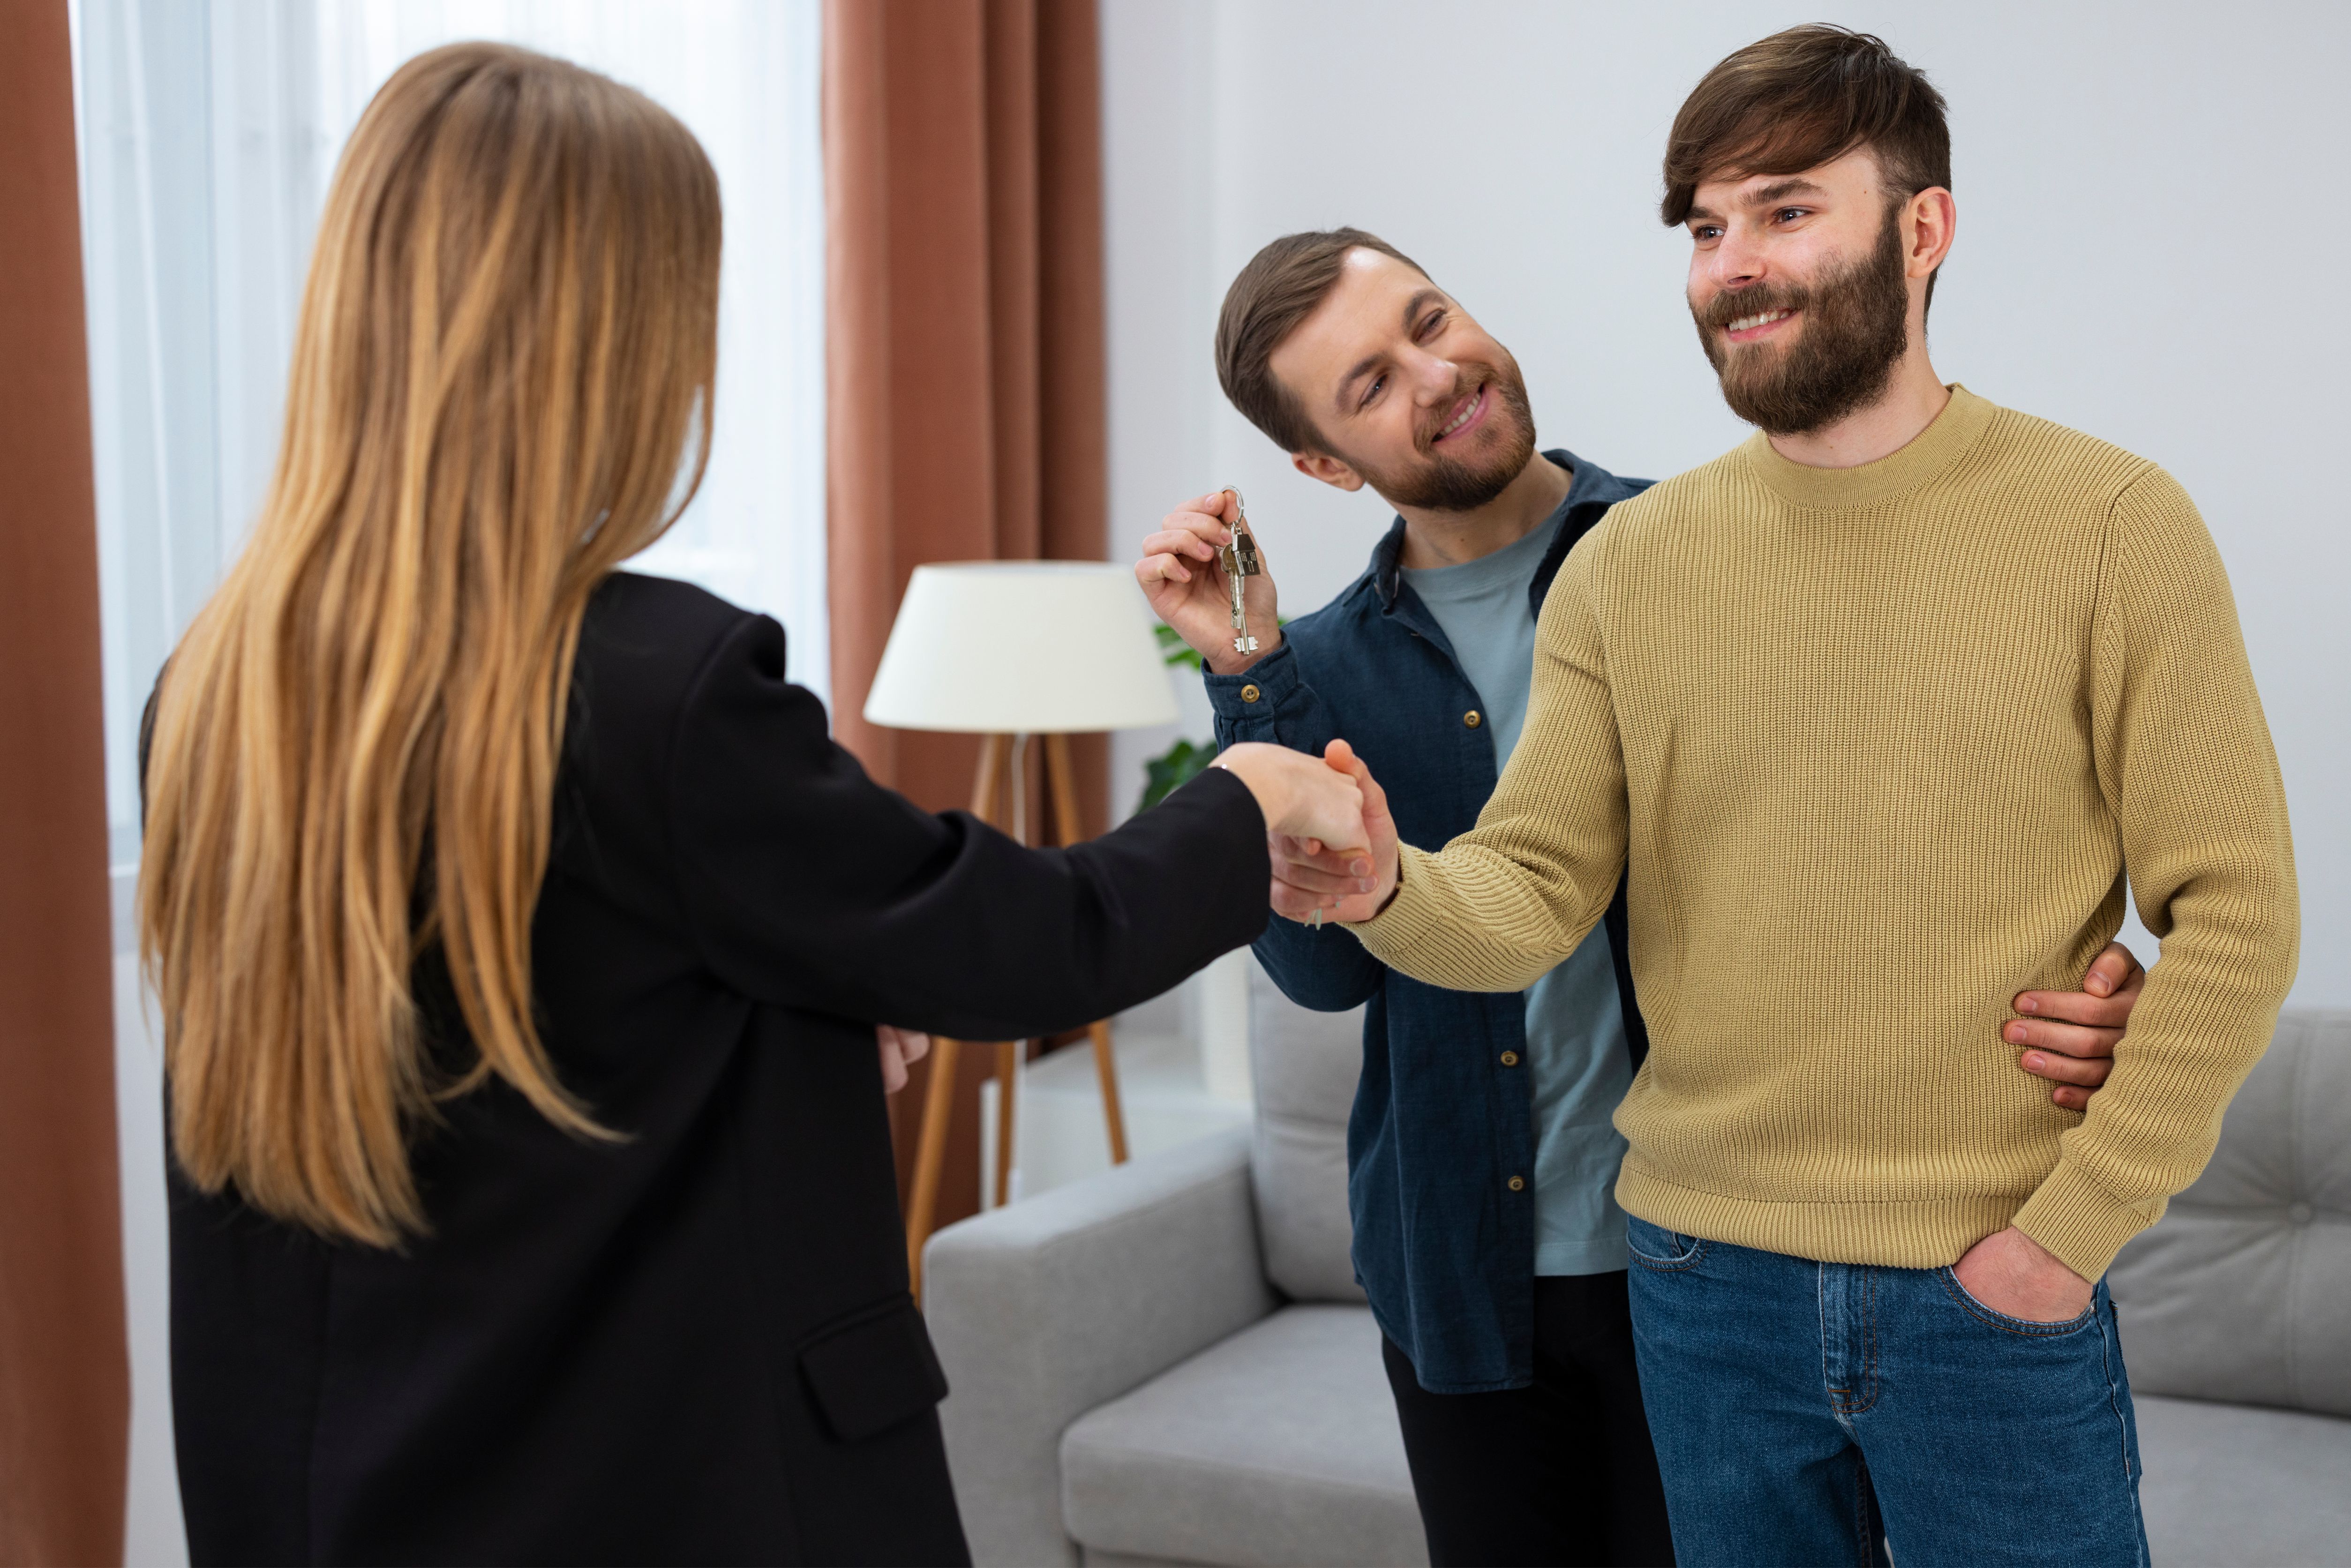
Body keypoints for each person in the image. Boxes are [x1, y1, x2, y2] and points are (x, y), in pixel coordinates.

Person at [136, 44, 1364, 1568]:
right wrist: (1247, 798)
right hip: (671, 1483)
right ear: (612, 337)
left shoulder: (218, 685)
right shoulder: (659, 687)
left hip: (350, 1491)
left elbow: (533, 1030)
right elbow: (1025, 943)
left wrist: (805, 1010)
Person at [1289, 25, 2299, 1567]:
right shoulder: (1629, 565)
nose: (1735, 264)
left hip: (1992, 1285)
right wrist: (1385, 886)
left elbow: (2238, 911)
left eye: (1785, 209)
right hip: (1702, 1292)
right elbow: (1538, 883)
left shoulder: (2111, 523)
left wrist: (2066, 1234)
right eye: (1705, 227)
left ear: (1922, 227)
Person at [1138, 223, 2146, 1566]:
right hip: (1463, 1279)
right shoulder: (1316, 666)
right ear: (1323, 464)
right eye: (1369, 384)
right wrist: (1249, 672)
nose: (1432, 375)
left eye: (1430, 323)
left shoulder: (1709, 549)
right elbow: (1327, 973)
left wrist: (2094, 976)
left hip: (1721, 1259)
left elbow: (1875, 853)